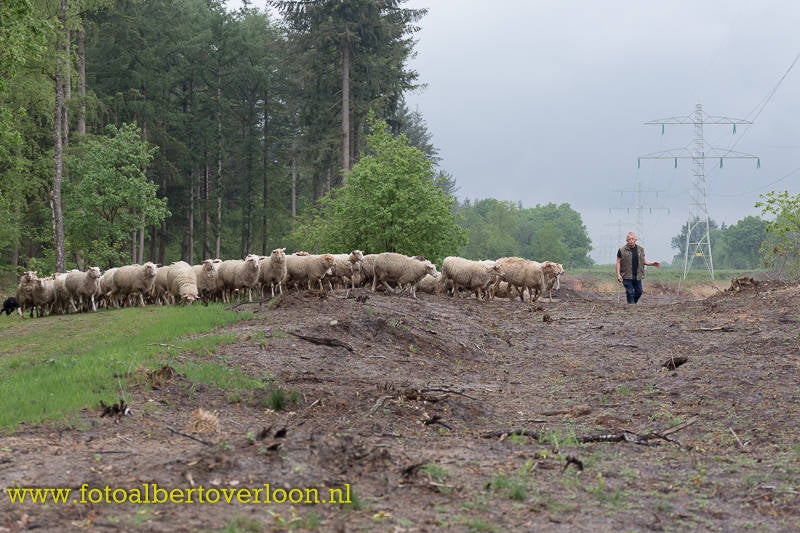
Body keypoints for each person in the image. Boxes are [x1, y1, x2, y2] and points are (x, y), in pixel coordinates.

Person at [615, 232, 660, 304]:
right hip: (626, 275)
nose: (631, 240)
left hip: (637, 275)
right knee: (629, 292)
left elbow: (644, 261)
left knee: (639, 291)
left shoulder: (640, 249)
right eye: (629, 239)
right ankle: (631, 306)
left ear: (635, 240)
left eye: (632, 239)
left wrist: (652, 264)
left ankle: (632, 304)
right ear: (627, 240)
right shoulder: (621, 250)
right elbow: (618, 262)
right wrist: (618, 274)